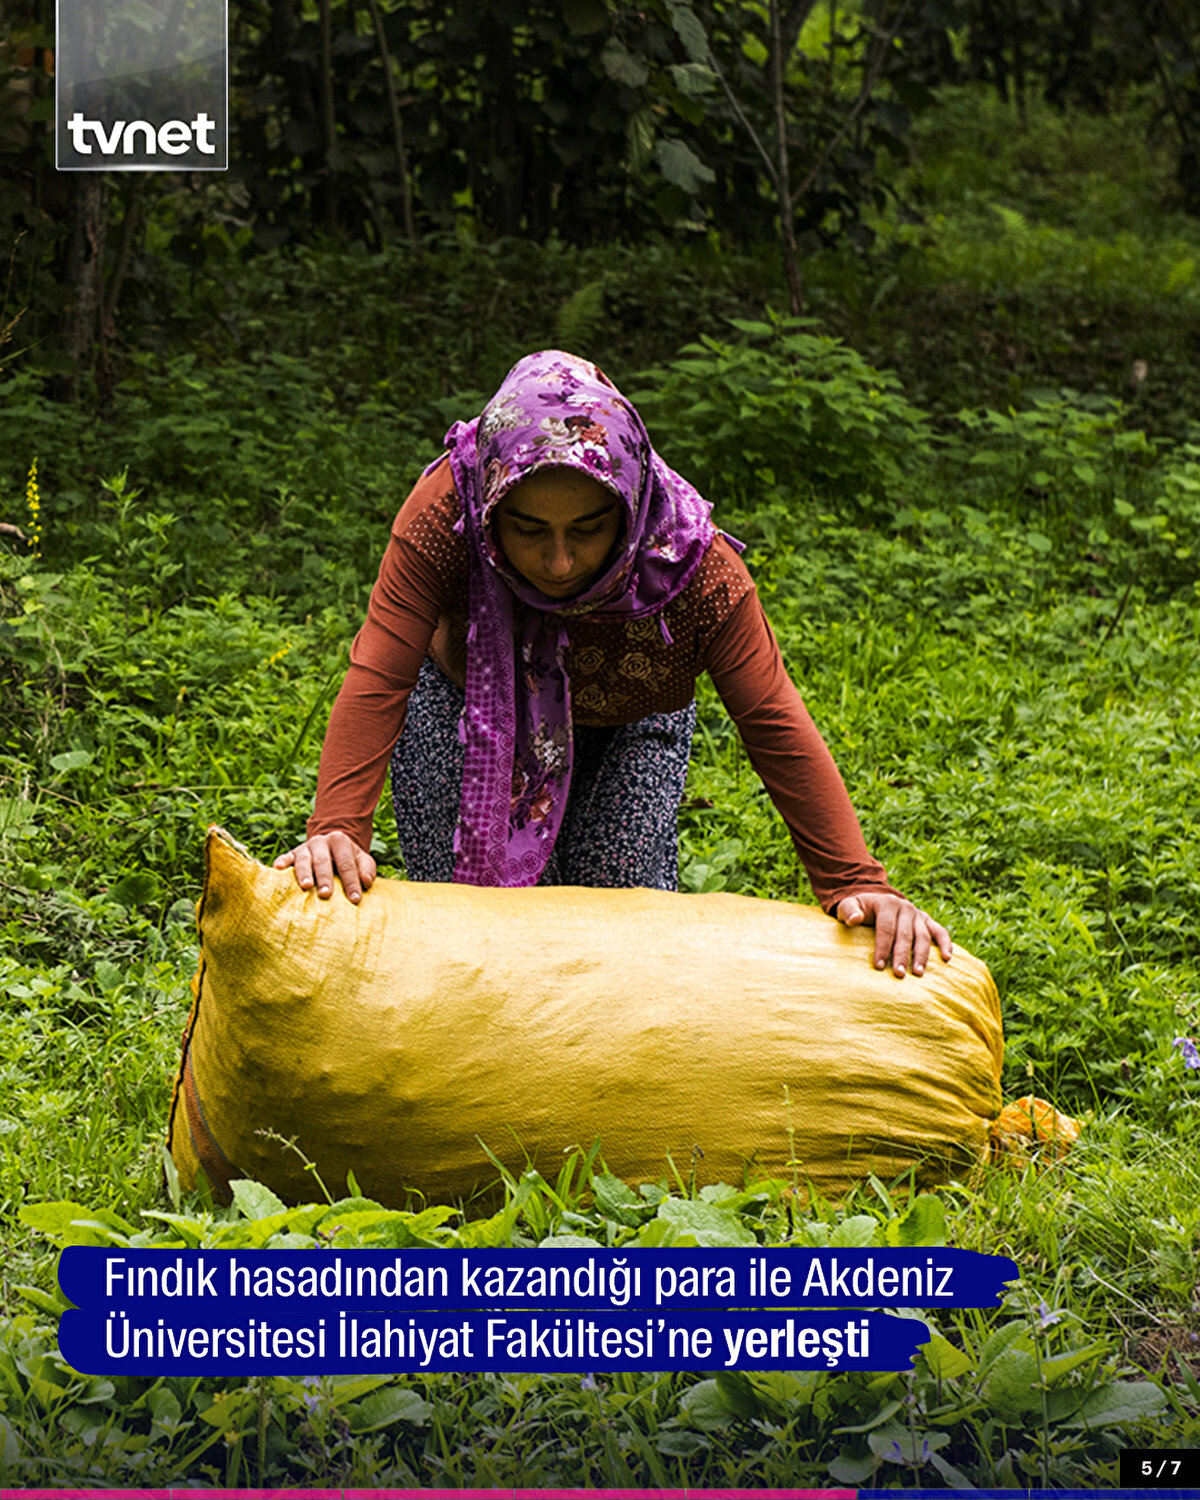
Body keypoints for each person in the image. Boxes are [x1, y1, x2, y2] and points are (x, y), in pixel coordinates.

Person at [277, 350, 952, 978]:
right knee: (477, 931)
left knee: (621, 930)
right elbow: (381, 673)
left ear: (629, 508)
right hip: (469, 709)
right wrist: (337, 827)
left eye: (588, 529)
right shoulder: (447, 515)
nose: (559, 562)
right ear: (492, 507)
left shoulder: (696, 569)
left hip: (630, 725)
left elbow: (771, 718)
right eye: (529, 529)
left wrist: (855, 880)